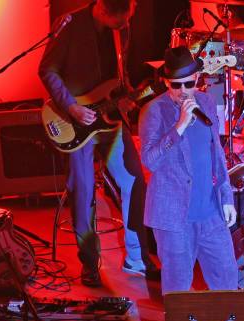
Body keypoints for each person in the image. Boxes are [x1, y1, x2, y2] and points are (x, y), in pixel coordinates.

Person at [138, 46, 244, 321]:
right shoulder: (154, 111)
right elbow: (149, 160)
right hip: (172, 215)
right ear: (166, 83)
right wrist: (179, 125)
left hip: (209, 210)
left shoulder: (207, 104)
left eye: (188, 84)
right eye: (174, 86)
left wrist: (226, 196)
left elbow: (217, 158)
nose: (182, 92)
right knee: (178, 281)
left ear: (199, 80)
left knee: (224, 274)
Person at [39, 0, 158, 287]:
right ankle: (90, 263)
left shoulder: (121, 28)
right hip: (76, 120)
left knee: (134, 181)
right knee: (83, 190)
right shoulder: (70, 25)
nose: (125, 25)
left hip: (111, 117)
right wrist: (71, 107)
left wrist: (128, 95)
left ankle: (137, 258)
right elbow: (47, 70)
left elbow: (118, 74)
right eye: (120, 21)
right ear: (104, 10)